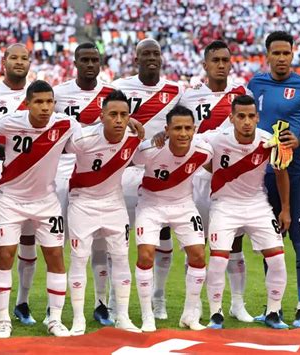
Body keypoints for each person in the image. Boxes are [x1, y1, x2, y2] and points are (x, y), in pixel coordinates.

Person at [248, 31, 300, 328]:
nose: (282, 58)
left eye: (286, 53)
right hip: (262, 176)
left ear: (293, 54)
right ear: (267, 55)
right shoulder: (255, 84)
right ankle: (274, 308)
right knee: (271, 242)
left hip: (296, 173)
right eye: (276, 53)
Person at [0, 80, 79, 338]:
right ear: (27, 103)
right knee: (5, 255)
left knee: (55, 257)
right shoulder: (7, 122)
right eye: (39, 102)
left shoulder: (66, 124)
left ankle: (55, 319)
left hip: (46, 202)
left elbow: (94, 137)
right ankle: (4, 319)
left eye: (49, 102)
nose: (45, 107)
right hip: (10, 200)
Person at [179, 40, 253, 323]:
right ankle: (194, 305)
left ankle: (237, 304)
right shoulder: (189, 97)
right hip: (197, 178)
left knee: (234, 244)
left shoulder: (241, 93)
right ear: (205, 65)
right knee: (195, 245)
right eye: (216, 60)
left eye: (225, 59)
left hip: (229, 178)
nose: (221, 65)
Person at [205, 95, 291, 330]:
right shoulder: (215, 139)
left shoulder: (268, 141)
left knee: (277, 259)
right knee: (218, 260)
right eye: (241, 116)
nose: (246, 121)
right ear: (231, 118)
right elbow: (189, 144)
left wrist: (285, 209)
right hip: (224, 204)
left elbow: (281, 172)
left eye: (251, 116)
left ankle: (273, 312)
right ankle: (216, 314)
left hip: (257, 205)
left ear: (257, 118)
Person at [112, 38, 184, 320]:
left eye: (156, 53)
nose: (152, 58)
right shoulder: (121, 88)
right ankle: (110, 300)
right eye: (146, 54)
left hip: (161, 173)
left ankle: (159, 297)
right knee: (118, 236)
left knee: (162, 235)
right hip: (125, 171)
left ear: (162, 58)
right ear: (135, 58)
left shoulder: (176, 91)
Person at [66, 90, 141, 336]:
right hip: (82, 203)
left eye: (123, 115)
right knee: (79, 258)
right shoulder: (82, 138)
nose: (119, 120)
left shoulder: (134, 138)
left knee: (120, 258)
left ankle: (123, 316)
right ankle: (78, 319)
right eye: (113, 114)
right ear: (101, 116)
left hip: (114, 204)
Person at [133, 105, 212, 332]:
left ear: (195, 129)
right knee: (146, 256)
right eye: (177, 128)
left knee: (198, 255)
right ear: (167, 129)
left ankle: (189, 315)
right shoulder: (149, 151)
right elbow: (129, 159)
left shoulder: (203, 150)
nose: (183, 133)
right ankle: (148, 316)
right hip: (151, 205)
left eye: (188, 128)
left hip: (184, 205)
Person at [0, 43, 38, 327]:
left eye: (24, 58)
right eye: (14, 57)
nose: (19, 62)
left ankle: (22, 303)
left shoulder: (39, 95)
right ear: (4, 62)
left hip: (30, 180)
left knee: (28, 242)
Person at [53, 42, 115, 326]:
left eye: (95, 60)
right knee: (55, 243)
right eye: (85, 60)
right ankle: (54, 307)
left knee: (99, 243)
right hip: (61, 170)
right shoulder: (59, 93)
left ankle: (101, 303)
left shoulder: (110, 95)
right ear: (75, 63)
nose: (90, 65)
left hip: (96, 173)